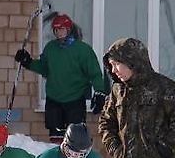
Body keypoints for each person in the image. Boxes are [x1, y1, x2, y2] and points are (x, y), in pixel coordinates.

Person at [14, 13, 107, 143]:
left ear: (69, 29)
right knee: (56, 139)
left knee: (76, 139)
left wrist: (99, 92)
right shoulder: (51, 48)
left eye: (62, 29)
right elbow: (44, 69)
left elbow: (95, 73)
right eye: (56, 30)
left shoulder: (82, 50)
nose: (59, 33)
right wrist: (28, 62)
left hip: (75, 100)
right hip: (54, 100)